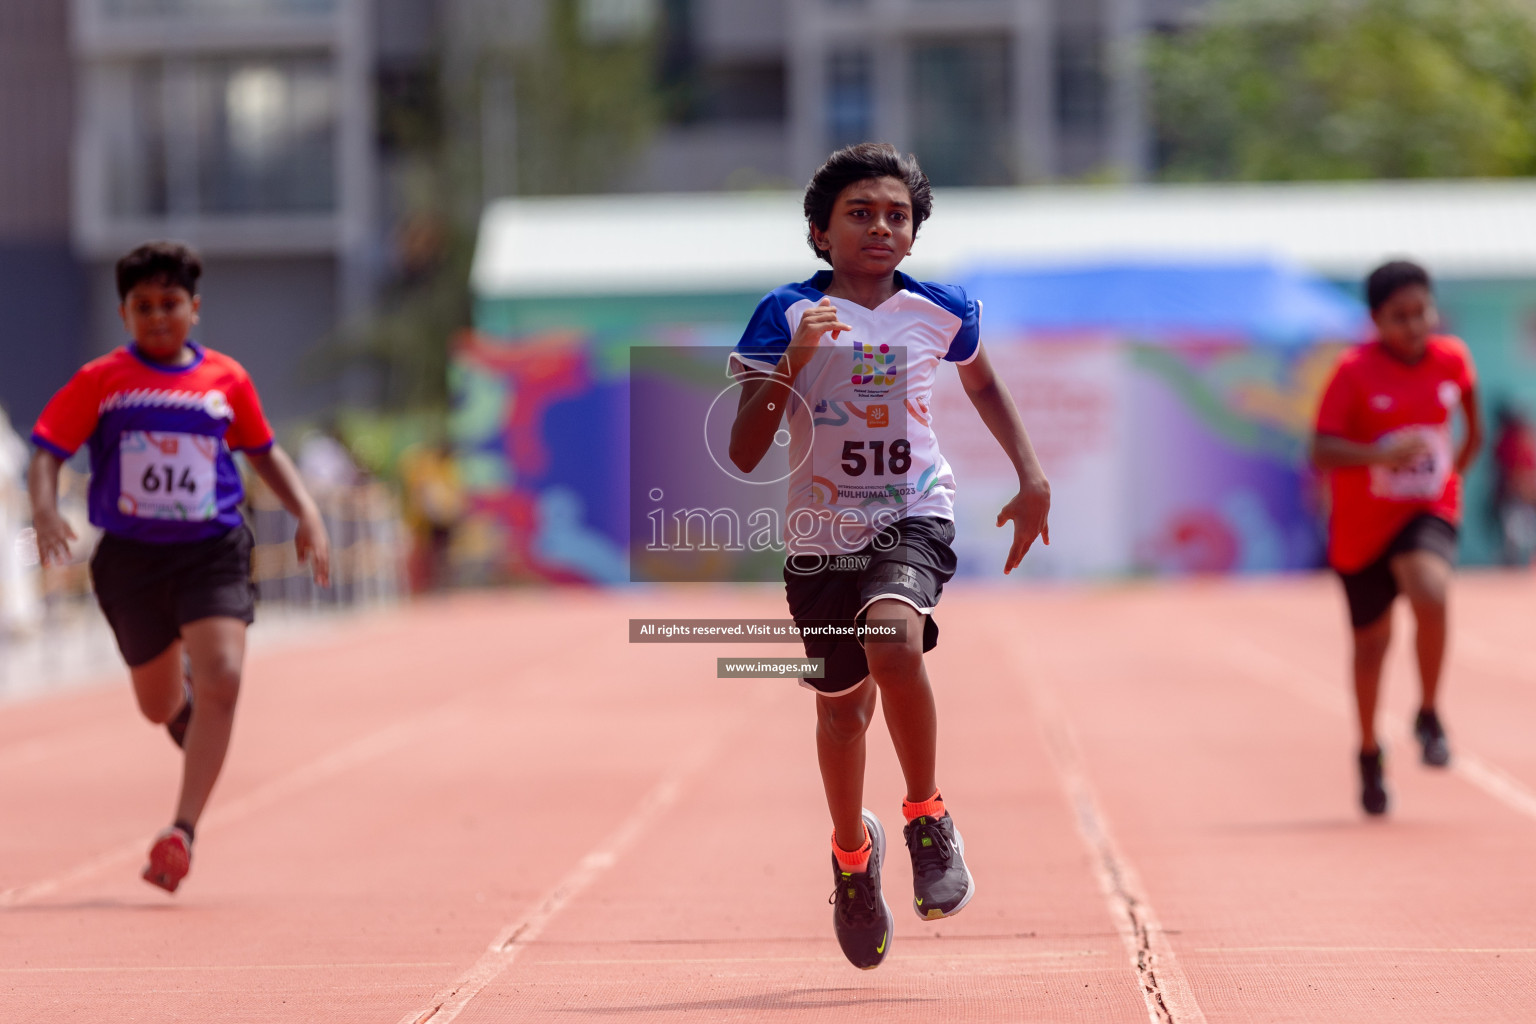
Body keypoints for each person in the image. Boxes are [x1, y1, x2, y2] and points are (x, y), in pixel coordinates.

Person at [728, 143, 1051, 969]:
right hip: (817, 540)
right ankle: (851, 859)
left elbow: (979, 383)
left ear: (914, 233)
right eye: (860, 213)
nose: (881, 226)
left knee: (894, 641)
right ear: (819, 231)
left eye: (897, 215)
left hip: (913, 513)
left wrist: (1030, 473)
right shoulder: (784, 313)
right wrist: (794, 369)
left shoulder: (941, 309)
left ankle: (926, 817)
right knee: (840, 711)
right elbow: (744, 447)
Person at [27, 241, 330, 893]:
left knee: (224, 676)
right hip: (131, 562)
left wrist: (306, 509)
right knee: (158, 704)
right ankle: (183, 702)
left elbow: (264, 452)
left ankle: (182, 831)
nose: (158, 317)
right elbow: (48, 449)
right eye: (144, 306)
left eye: (171, 304)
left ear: (195, 309)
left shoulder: (226, 380)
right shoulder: (102, 381)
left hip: (210, 550)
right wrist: (46, 511)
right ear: (123, 312)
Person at [1311, 260, 1481, 816]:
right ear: (1376, 320)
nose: (1414, 326)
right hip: (1362, 527)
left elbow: (1472, 428)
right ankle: (1367, 752)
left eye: (1421, 312)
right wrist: (1378, 455)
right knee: (1370, 646)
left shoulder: (1452, 359)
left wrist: (1449, 476)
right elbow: (1321, 450)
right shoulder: (1353, 370)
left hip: (1425, 510)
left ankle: (1428, 713)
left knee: (1431, 593)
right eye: (1399, 317)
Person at [1491, 404, 1536, 567]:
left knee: (1516, 537)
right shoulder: (1508, 440)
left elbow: (1520, 472)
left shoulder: (1515, 440)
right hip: (1513, 496)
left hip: (1519, 495)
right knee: (1513, 537)